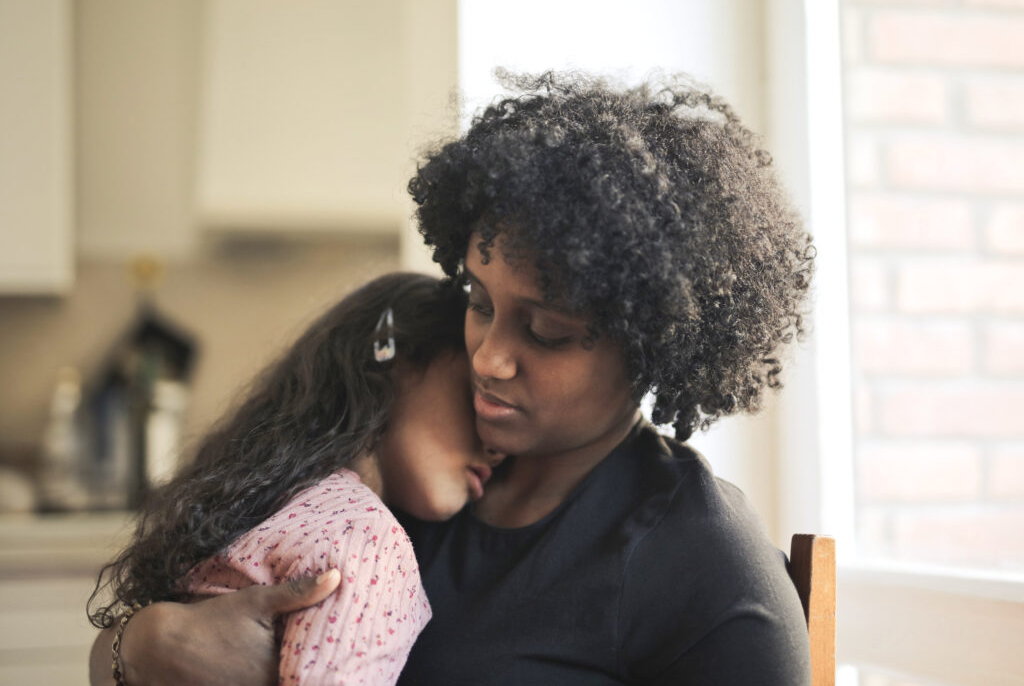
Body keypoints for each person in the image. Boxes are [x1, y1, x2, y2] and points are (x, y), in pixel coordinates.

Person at [90, 71, 816, 685]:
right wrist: (154, 641)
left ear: (652, 343)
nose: (488, 358)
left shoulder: (705, 569)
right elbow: (123, 639)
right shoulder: (414, 463)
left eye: (545, 330)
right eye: (478, 301)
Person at [88, 272, 504, 686]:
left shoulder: (248, 502)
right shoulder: (367, 541)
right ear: (395, 359)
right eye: (478, 392)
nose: (497, 446)